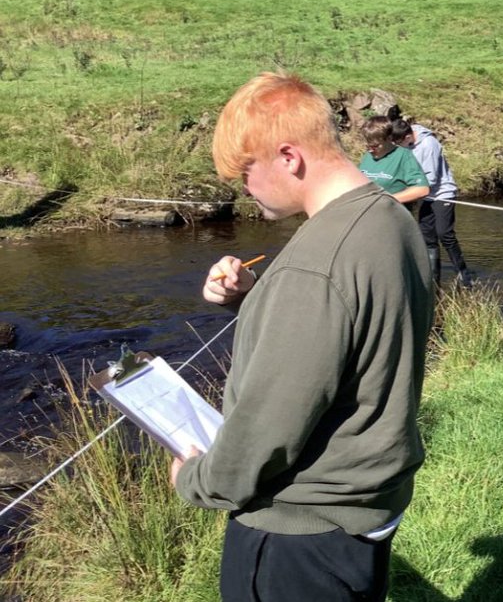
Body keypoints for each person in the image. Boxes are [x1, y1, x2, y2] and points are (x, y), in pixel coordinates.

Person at [171, 72, 435, 602]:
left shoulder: (315, 266)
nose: (242, 188)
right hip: (365, 509)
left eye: (246, 171)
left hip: (297, 535)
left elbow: (269, 429)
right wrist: (258, 295)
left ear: (289, 157)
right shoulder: (389, 217)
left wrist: (195, 478)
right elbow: (354, 328)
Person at [395, 118, 473, 289]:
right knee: (427, 236)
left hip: (442, 194)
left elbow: (430, 178)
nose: (399, 147)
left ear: (408, 136)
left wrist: (408, 193)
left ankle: (464, 276)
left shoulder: (429, 144)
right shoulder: (405, 141)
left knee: (444, 233)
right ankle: (433, 280)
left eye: (400, 143)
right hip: (426, 196)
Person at [358, 116, 430, 204]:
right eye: (368, 146)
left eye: (375, 146)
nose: (370, 150)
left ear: (389, 139)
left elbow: (421, 189)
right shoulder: (368, 156)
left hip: (391, 214)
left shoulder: (403, 155)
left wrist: (385, 200)